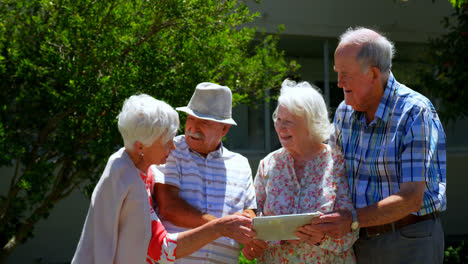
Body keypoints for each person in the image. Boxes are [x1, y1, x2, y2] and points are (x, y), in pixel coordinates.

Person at [311, 27, 447, 264]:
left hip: (409, 239)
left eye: (345, 74)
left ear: (373, 74)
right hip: (358, 240)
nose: (339, 82)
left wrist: (351, 218)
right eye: (337, 73)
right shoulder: (344, 113)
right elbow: (332, 175)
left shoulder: (414, 112)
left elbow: (411, 198)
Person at [72, 94, 255, 264]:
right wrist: (218, 227)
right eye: (167, 141)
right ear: (141, 146)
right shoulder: (121, 171)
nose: (174, 147)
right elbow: (102, 241)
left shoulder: (145, 174)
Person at [242, 79, 358, 263]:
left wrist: (322, 239)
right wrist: (254, 243)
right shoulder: (269, 164)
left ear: (311, 124)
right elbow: (254, 221)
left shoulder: (337, 163)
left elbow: (353, 228)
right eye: (278, 119)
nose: (280, 127)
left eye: (289, 122)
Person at [153, 82, 257, 263]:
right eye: (190, 119)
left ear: (224, 129)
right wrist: (220, 226)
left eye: (204, 122)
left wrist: (251, 236)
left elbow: (249, 213)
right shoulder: (170, 150)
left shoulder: (241, 164)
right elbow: (168, 207)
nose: (193, 128)